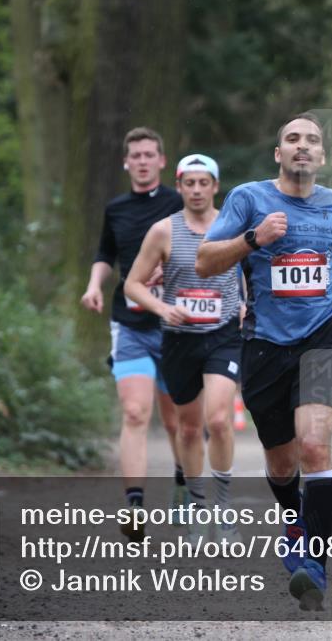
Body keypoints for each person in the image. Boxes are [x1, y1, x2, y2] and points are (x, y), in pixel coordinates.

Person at [196, 112, 332, 611]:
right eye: (292, 139)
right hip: (264, 345)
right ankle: (293, 517)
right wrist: (254, 239)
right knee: (281, 461)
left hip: (323, 337)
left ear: (322, 156)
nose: (302, 146)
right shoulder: (249, 199)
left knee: (315, 447)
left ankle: (315, 565)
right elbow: (205, 261)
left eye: (311, 140)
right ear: (278, 153)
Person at [124, 153, 243, 545]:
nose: (195, 190)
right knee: (189, 429)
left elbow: (253, 267)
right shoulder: (163, 231)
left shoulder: (232, 224)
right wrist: (162, 307)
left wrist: (247, 303)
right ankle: (196, 509)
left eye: (203, 182)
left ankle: (224, 513)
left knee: (220, 419)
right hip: (179, 339)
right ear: (179, 187)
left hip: (223, 334)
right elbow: (133, 284)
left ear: (214, 186)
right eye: (188, 183)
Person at [79, 127, 186, 540]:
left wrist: (169, 270)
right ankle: (135, 504)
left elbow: (203, 252)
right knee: (136, 412)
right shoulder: (116, 209)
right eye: (135, 155)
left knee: (176, 419)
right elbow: (106, 254)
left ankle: (182, 481)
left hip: (175, 323)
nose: (142, 161)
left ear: (161, 161)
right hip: (130, 324)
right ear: (127, 163)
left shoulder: (180, 204)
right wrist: (94, 285)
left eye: (149, 155)